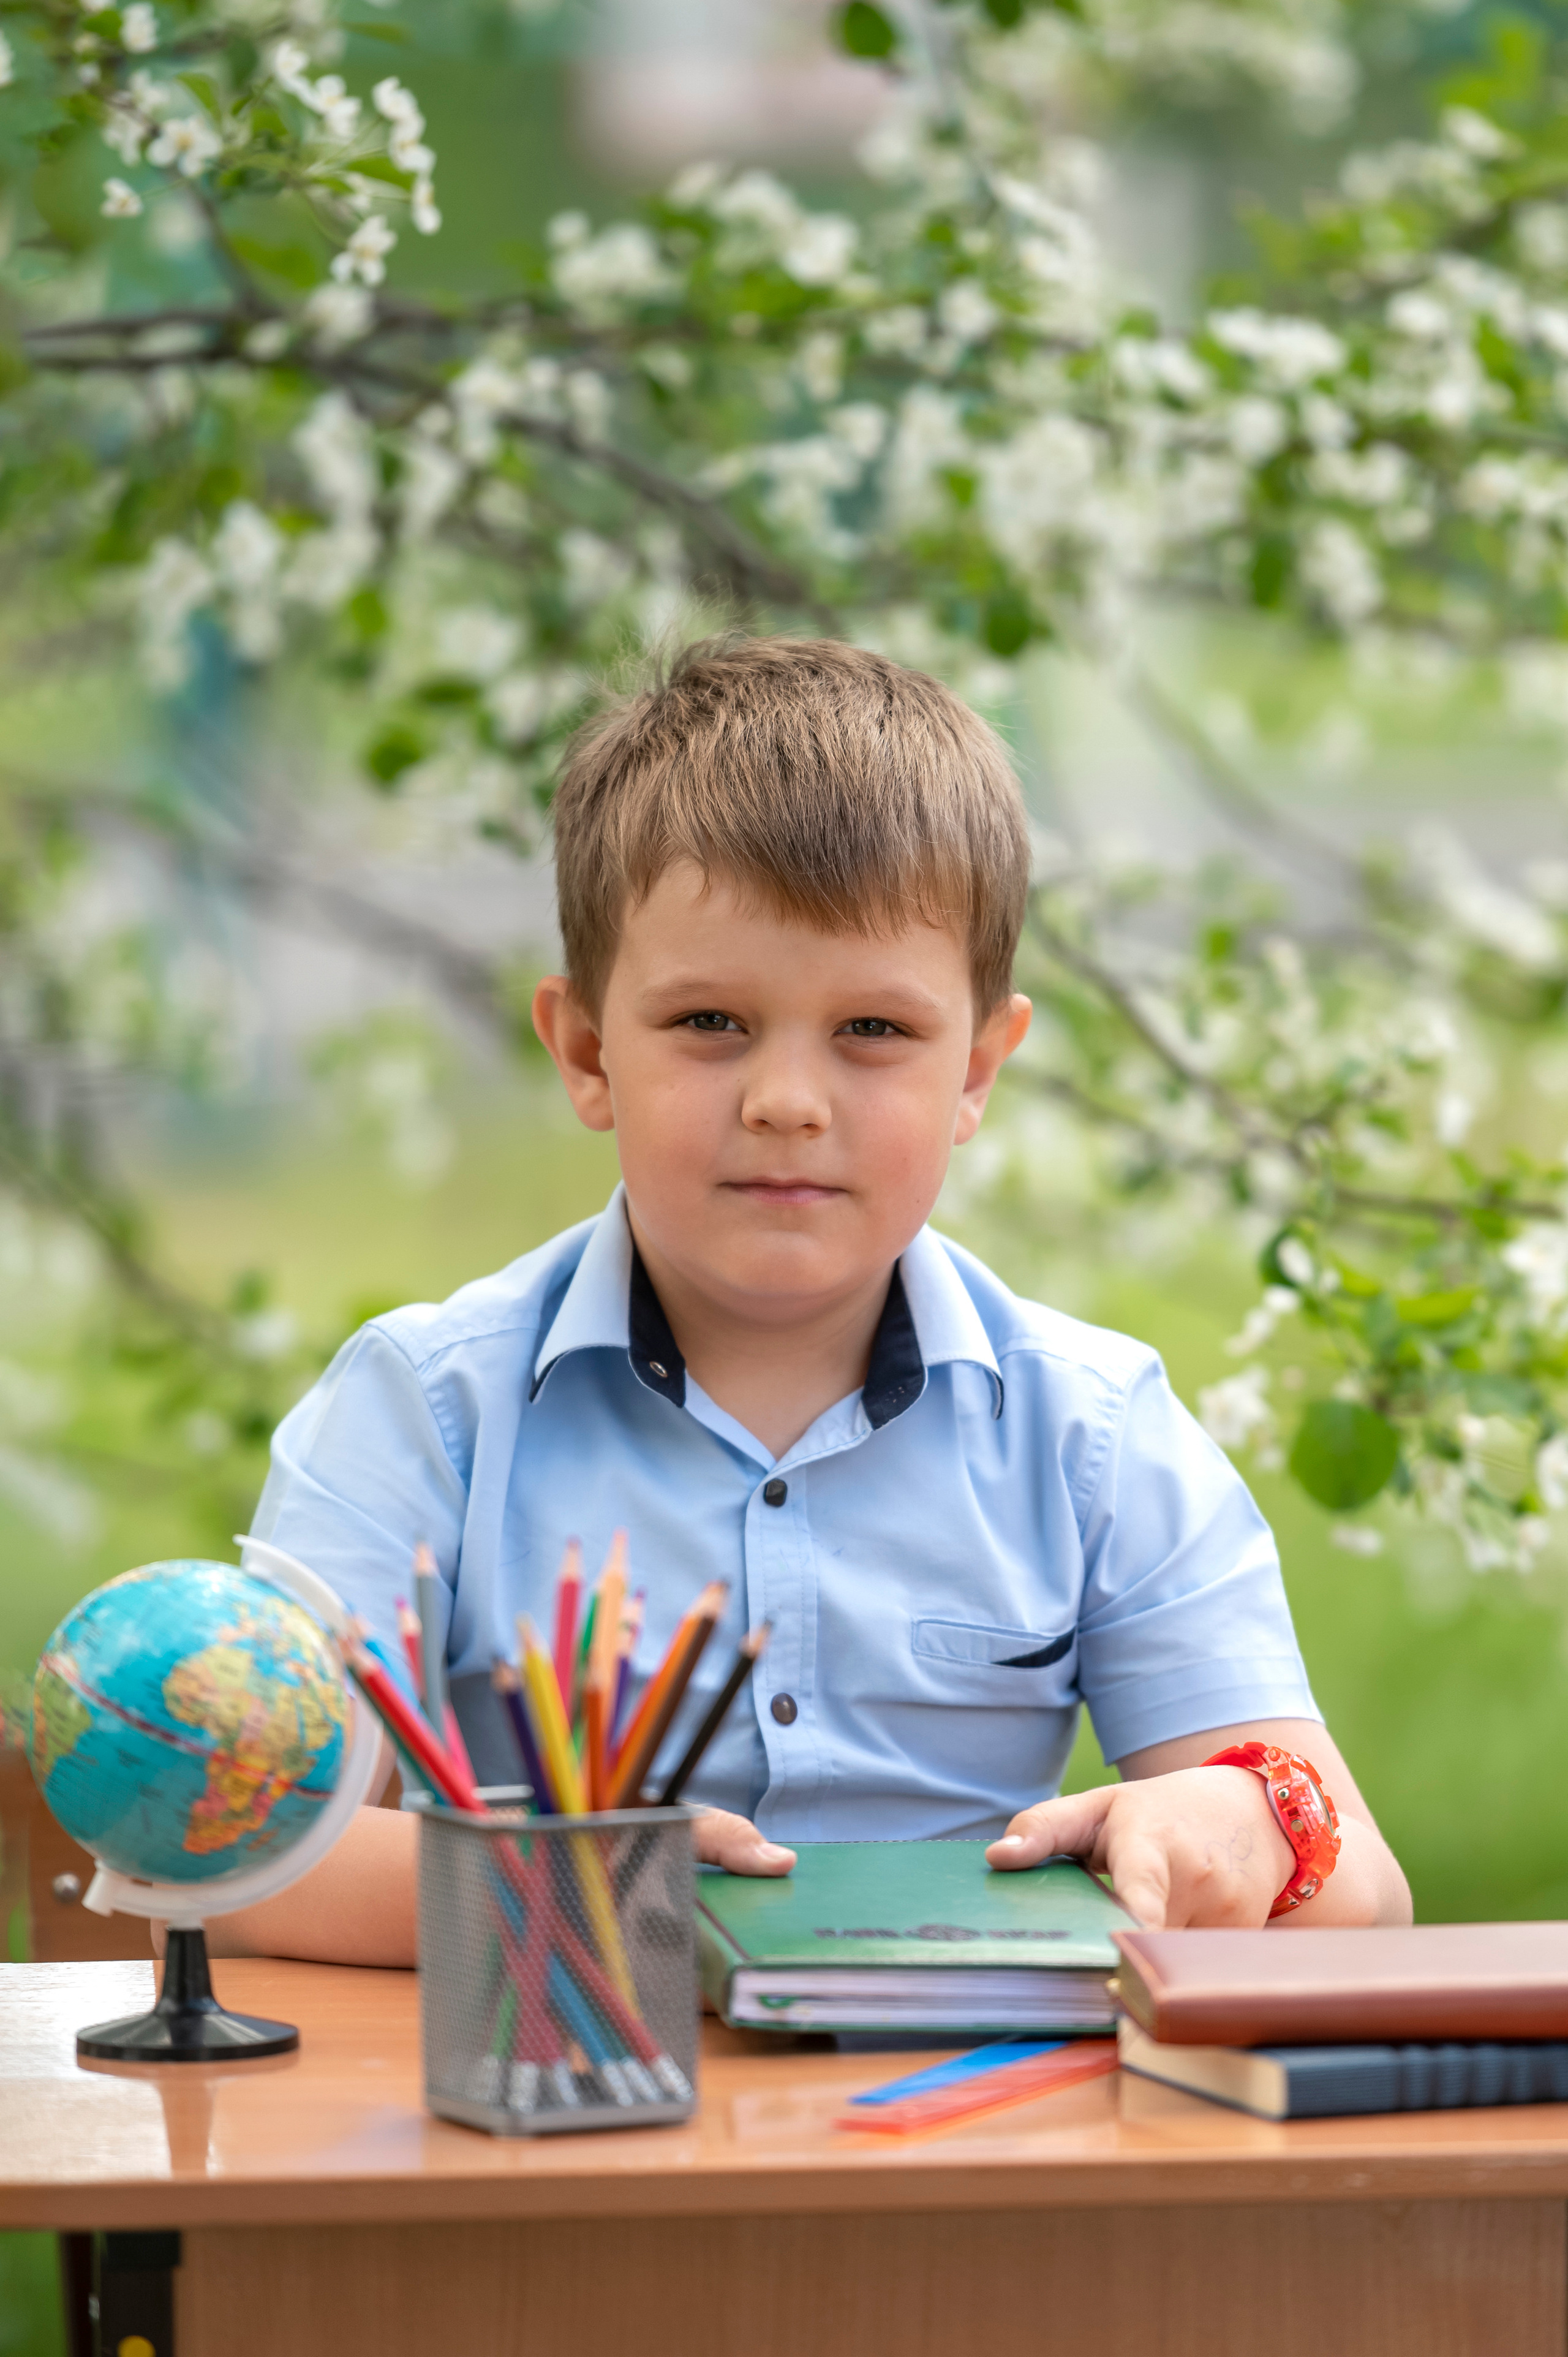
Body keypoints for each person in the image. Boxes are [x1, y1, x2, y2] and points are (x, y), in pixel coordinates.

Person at [224, 635, 1409, 1964]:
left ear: (978, 1070)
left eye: (874, 1032)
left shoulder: (1094, 1431)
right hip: (554, 2110)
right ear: (582, 1049)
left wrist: (1241, 1827)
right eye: (711, 1023)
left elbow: (1358, 1887)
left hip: (972, 2133)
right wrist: (598, 1894)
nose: (786, 1100)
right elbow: (239, 1844)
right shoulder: (423, 1407)